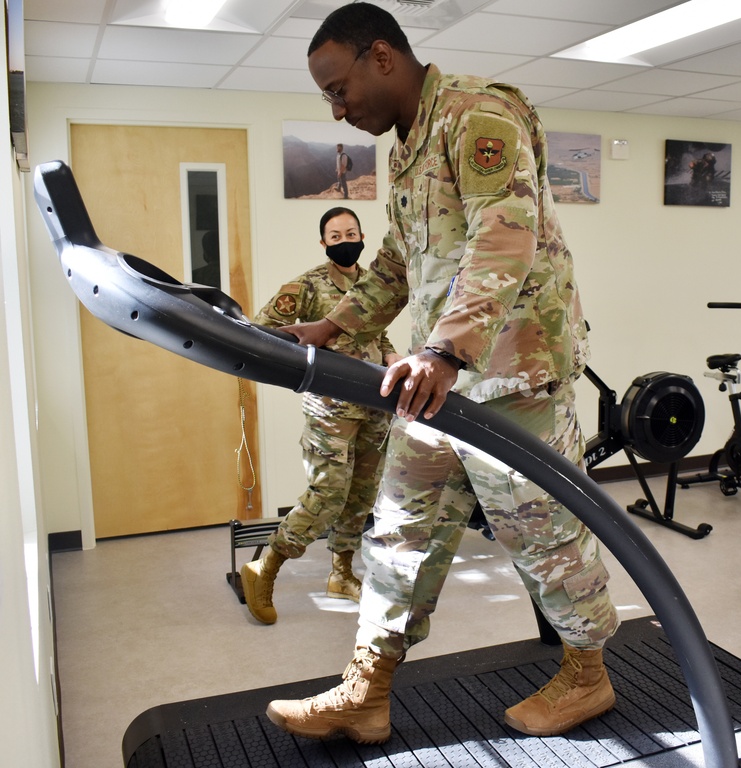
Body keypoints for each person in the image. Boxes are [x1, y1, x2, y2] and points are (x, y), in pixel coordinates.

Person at [266, 1, 620, 744]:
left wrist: (447, 349)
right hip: (438, 383)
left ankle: (587, 676)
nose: (337, 110)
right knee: (398, 529)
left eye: (338, 88)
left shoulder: (476, 114)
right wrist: (334, 325)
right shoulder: (404, 151)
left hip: (510, 375)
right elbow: (399, 260)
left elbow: (504, 232)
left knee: (543, 532)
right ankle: (367, 690)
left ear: (382, 58)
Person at [241, 206, 401, 624]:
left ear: (363, 236)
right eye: (336, 235)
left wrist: (390, 354)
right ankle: (264, 568)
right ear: (324, 243)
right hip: (330, 407)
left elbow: (378, 332)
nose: (345, 239)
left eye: (352, 232)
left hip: (375, 403)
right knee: (328, 492)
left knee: (361, 494)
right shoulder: (308, 285)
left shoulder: (372, 284)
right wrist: (313, 363)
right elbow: (264, 329)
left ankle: (341, 574)